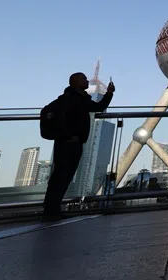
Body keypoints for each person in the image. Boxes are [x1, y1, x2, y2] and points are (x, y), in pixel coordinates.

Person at [42, 72, 114, 221]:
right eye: (84, 79)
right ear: (76, 82)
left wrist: (109, 93)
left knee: (61, 177)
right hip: (69, 143)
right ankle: (51, 211)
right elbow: (98, 107)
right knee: (61, 177)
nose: (87, 81)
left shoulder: (73, 99)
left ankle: (52, 210)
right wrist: (68, 135)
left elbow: (98, 107)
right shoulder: (72, 100)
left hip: (67, 143)